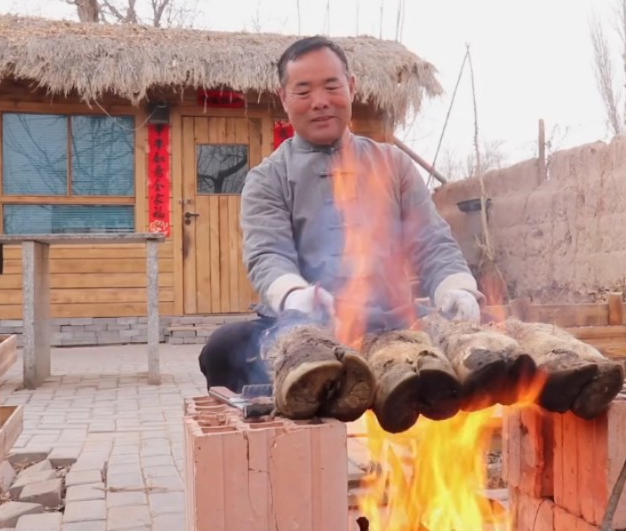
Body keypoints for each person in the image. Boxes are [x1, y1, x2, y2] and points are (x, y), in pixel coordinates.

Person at [198, 36, 483, 416]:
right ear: (283, 97)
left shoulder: (393, 165)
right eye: (303, 90)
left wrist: (455, 287)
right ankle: (281, 455)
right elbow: (267, 254)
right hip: (306, 329)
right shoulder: (267, 179)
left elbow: (431, 241)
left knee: (489, 337)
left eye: (332, 86)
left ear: (351, 87)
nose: (320, 101)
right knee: (222, 349)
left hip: (391, 322)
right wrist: (294, 295)